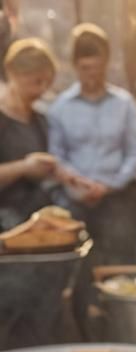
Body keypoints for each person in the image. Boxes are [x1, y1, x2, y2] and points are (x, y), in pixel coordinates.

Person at [48, 23, 136, 340]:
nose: (91, 73)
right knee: (79, 276)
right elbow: (56, 155)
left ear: (106, 62)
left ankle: (125, 336)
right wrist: (76, 185)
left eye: (97, 66)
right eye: (85, 67)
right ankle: (89, 340)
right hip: (76, 200)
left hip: (116, 198)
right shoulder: (61, 108)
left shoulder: (124, 104)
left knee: (121, 271)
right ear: (76, 65)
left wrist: (111, 184)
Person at [0, 38, 59, 230]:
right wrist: (23, 167)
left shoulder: (40, 120)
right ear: (13, 73)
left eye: (46, 83)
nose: (41, 90)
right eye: (36, 81)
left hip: (38, 219)